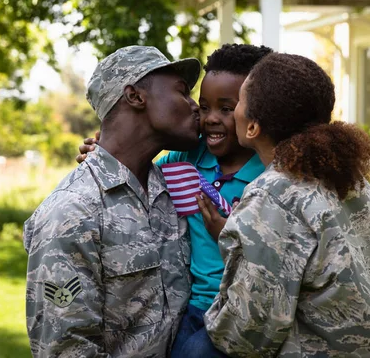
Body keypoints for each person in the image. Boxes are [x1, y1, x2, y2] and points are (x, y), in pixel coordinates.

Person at [77, 44, 273, 358]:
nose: (208, 118)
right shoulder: (188, 159)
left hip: (245, 311)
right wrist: (102, 152)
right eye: (204, 105)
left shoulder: (272, 175)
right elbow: (134, 164)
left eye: (226, 108)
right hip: (194, 309)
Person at [201, 52, 370, 357]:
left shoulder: (274, 196)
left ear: (253, 127)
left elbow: (243, 337)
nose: (235, 111)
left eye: (239, 102)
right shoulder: (350, 180)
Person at [24, 46, 202, 357]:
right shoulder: (71, 212)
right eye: (182, 92)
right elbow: (66, 350)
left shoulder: (174, 191)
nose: (195, 106)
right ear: (135, 97)